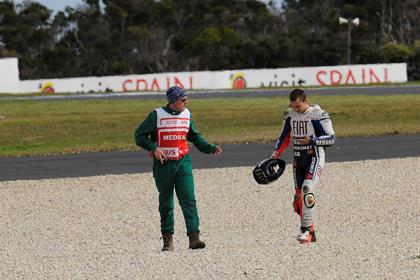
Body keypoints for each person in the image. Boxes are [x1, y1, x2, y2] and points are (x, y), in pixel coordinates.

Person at [134, 86, 222, 251]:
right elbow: (138, 135)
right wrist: (154, 147)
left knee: (188, 199)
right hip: (163, 166)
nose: (186, 102)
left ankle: (194, 238)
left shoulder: (187, 114)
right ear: (173, 101)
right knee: (166, 202)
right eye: (183, 99)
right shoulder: (156, 115)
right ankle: (168, 240)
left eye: (186, 98)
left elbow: (194, 136)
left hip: (183, 163)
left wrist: (210, 148)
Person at [270, 89, 335, 244]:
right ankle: (310, 230)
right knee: (299, 199)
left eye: (298, 106)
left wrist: (313, 141)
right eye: (293, 106)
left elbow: (331, 138)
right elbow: (284, 137)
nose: (295, 109)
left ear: (306, 101)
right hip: (298, 159)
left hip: (315, 156)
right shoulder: (289, 115)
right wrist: (275, 155)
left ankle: (305, 231)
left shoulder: (319, 114)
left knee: (307, 188)